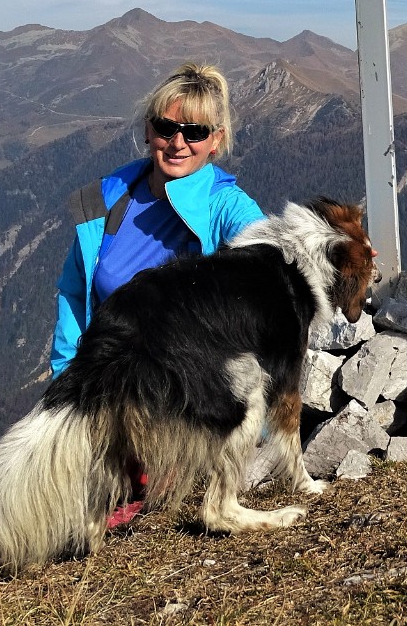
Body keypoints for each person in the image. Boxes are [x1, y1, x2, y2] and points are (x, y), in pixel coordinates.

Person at [51, 62, 265, 523]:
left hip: (183, 390)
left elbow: (266, 264)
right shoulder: (107, 202)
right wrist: (65, 379)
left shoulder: (223, 206)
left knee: (94, 511)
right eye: (166, 127)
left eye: (195, 131)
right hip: (107, 379)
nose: (178, 142)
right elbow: (73, 296)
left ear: (217, 139)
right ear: (148, 130)